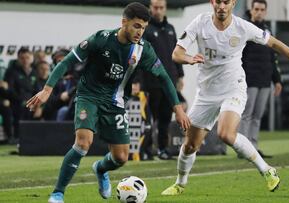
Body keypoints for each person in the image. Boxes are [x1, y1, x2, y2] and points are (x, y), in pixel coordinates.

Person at [26, 3, 190, 203]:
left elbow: (164, 77)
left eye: (144, 28)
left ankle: (100, 168)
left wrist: (178, 110)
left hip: (116, 102)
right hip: (89, 96)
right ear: (124, 22)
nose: (140, 32)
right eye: (136, 26)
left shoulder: (143, 50)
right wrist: (47, 90)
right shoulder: (101, 39)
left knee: (121, 157)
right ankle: (58, 193)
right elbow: (67, 61)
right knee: (83, 143)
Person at [161, 0, 289, 196]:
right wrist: (189, 58)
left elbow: (275, 43)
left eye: (226, 2)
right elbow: (177, 54)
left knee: (225, 134)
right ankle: (180, 184)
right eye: (217, 1)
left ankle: (267, 170)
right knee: (190, 144)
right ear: (212, 2)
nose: (221, 6)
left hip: (233, 88)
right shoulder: (200, 23)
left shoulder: (242, 27)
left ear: (233, 3)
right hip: (206, 94)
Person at [238, 0, 282, 158]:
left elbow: (272, 57)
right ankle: (243, 149)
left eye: (262, 10)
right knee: (246, 115)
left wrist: (277, 80)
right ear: (251, 10)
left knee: (257, 116)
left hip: (265, 80)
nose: (259, 12)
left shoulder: (267, 30)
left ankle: (254, 147)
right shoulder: (245, 29)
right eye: (256, 9)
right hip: (249, 79)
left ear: (265, 11)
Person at [141, 0, 184, 160]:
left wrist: (180, 75)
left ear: (165, 9)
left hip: (170, 81)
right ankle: (145, 150)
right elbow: (140, 55)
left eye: (161, 8)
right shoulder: (146, 29)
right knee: (150, 119)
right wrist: (138, 80)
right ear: (150, 8)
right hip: (151, 82)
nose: (158, 11)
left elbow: (177, 53)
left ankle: (163, 149)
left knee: (166, 118)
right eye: (155, 7)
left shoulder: (171, 29)